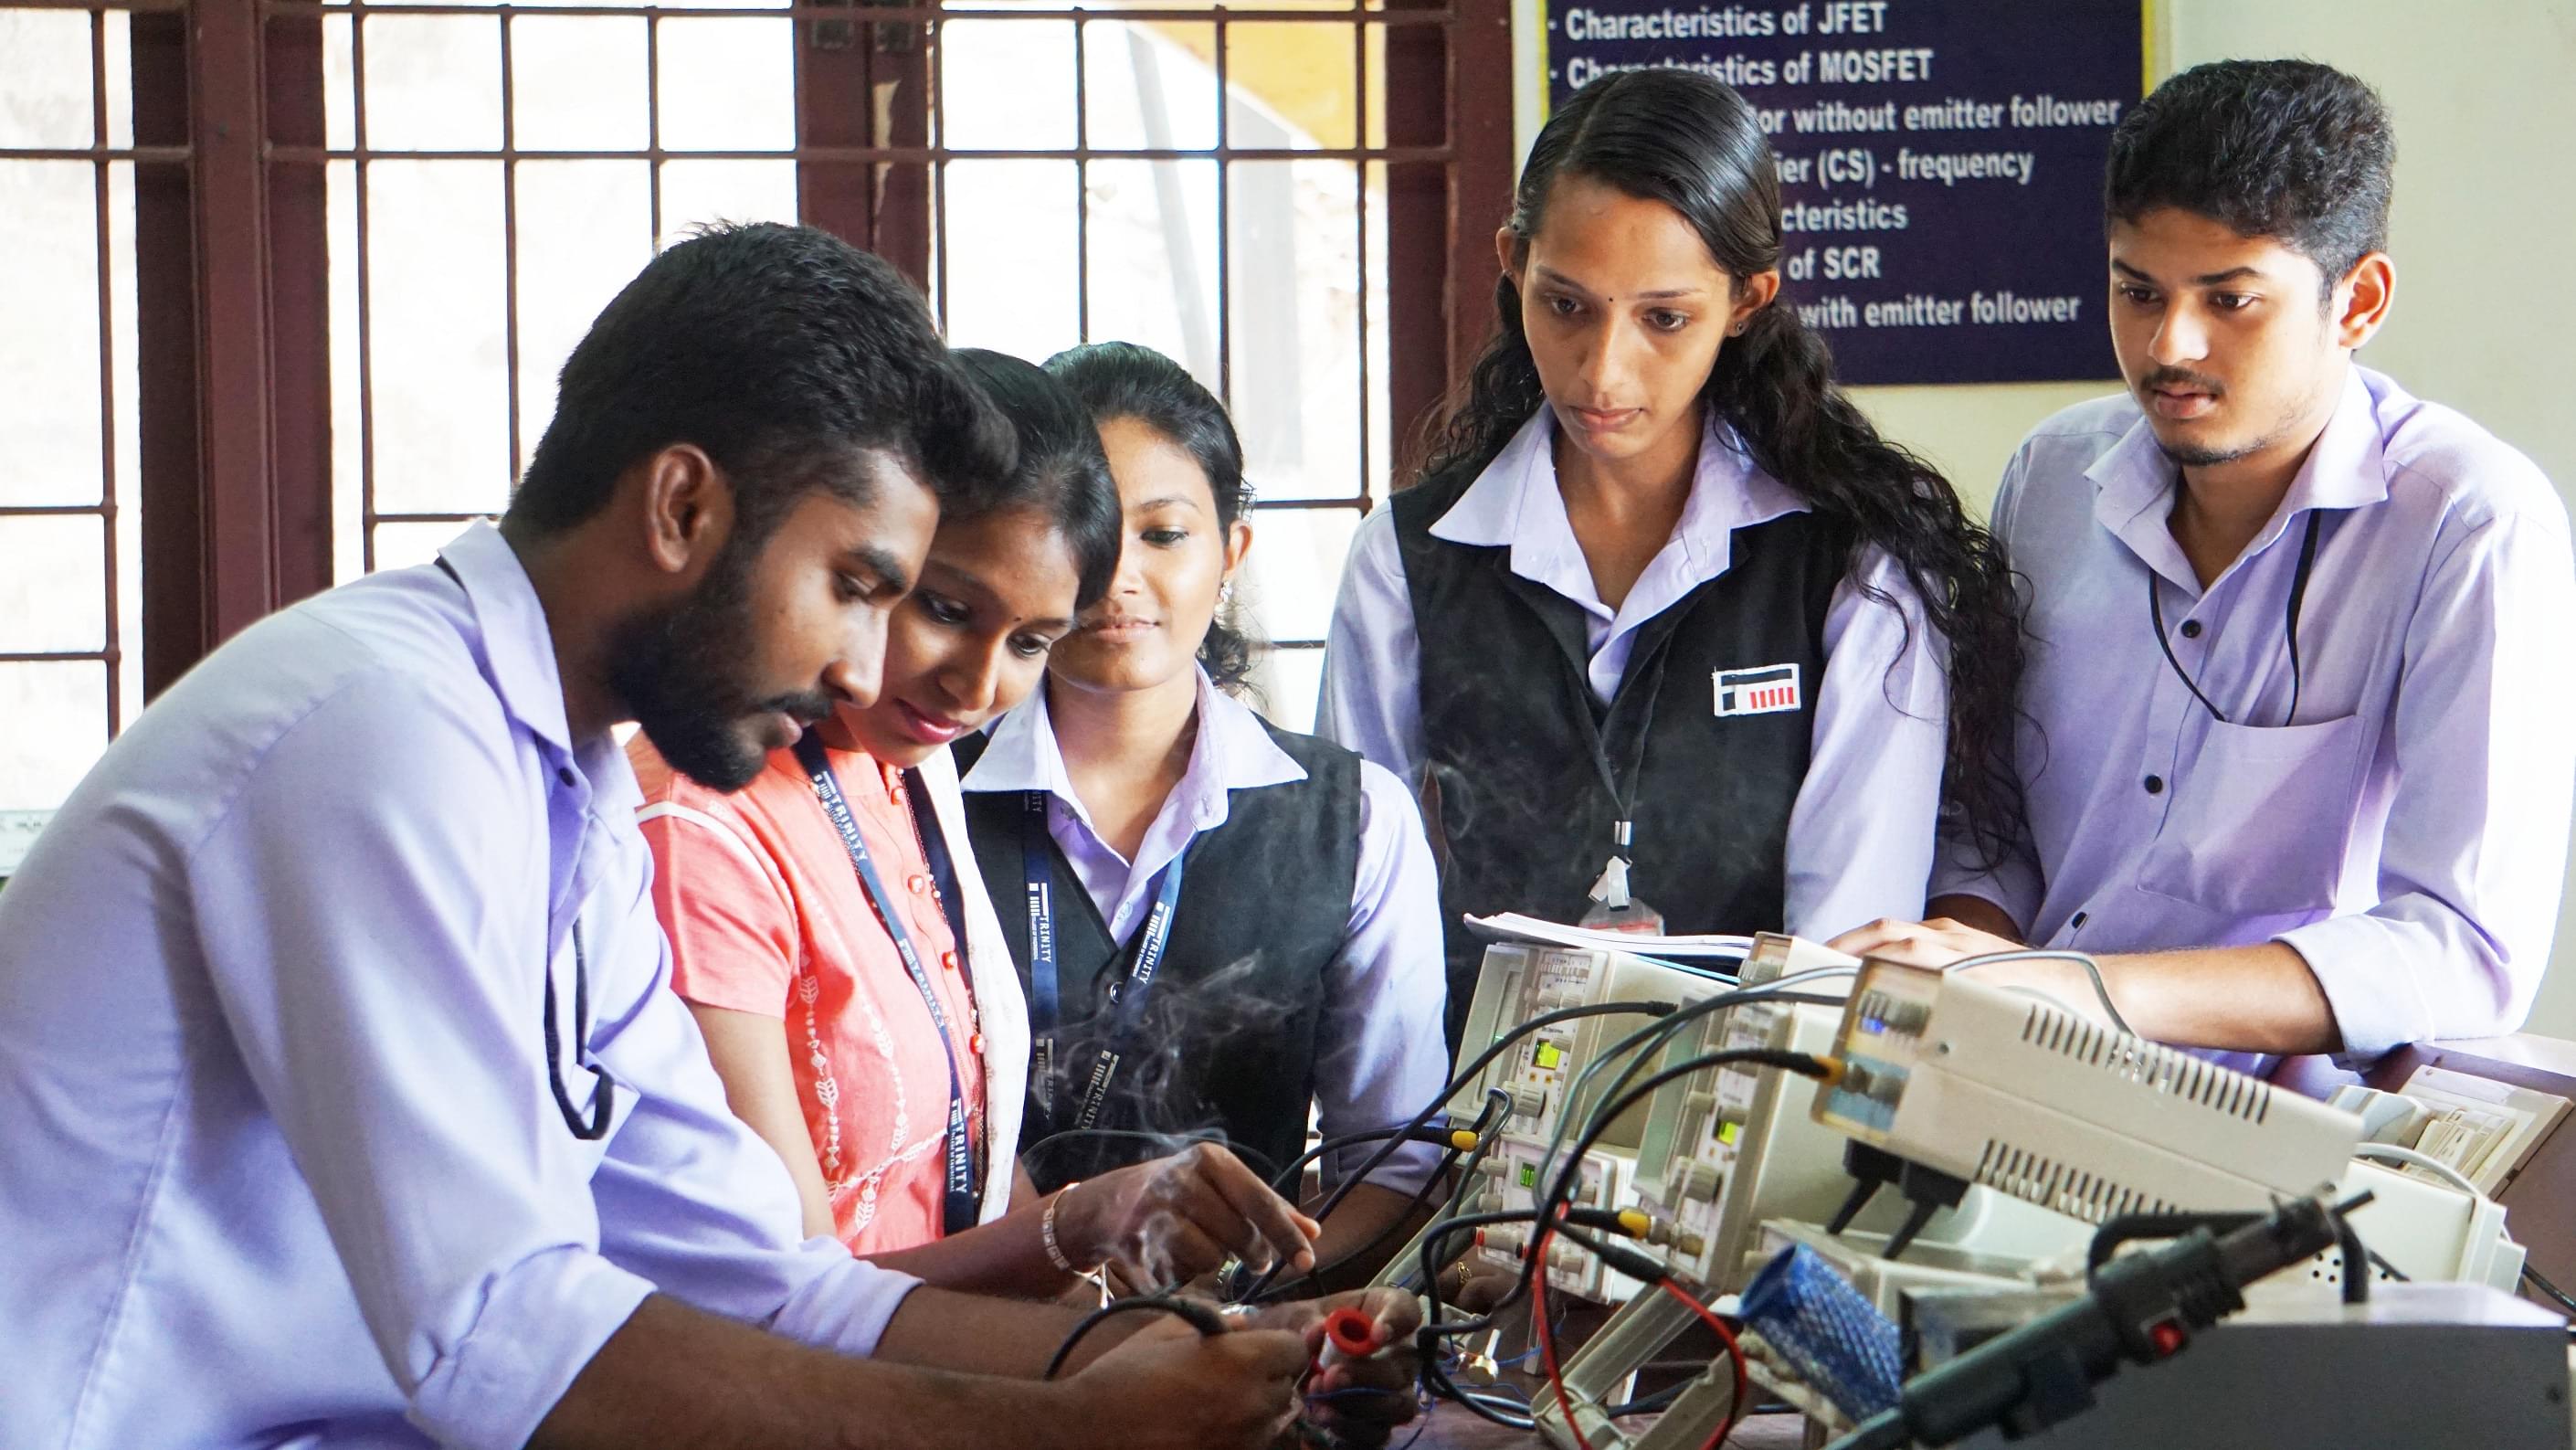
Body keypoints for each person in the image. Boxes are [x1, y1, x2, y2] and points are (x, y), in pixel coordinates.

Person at [0, 224, 1416, 1450]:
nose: (869, 672)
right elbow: (504, 1334)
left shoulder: (573, 786)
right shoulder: (378, 727)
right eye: (859, 585)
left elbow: (762, 1280)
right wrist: (1065, 1424)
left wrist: (1158, 1361)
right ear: (683, 506)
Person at [1835, 61, 2575, 1070]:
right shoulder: (2052, 473)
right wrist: (1973, 977)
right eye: (2137, 290)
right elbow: (1987, 813)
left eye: (2231, 300)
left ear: (2358, 302)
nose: (2169, 344)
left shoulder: (2472, 524)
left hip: (2279, 1146)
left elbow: (2465, 951)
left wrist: (2079, 992)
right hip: (2005, 1075)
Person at [1319, 69, 2026, 1040]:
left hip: (1753, 1114)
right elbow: (1359, 900)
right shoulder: (1406, 560)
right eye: (1566, 306)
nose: (1604, 370)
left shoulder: (1857, 563)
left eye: (1664, 318)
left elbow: (1844, 948)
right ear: (1513, 264)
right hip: (1470, 1121)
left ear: (1747, 300)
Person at [635, 348, 1322, 1294]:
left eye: (1033, 642)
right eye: (948, 609)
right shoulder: (700, 817)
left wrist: (1113, 1312)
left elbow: (962, 1171)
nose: (979, 686)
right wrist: (1080, 1226)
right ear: (867, 555)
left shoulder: (907, 766)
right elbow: (776, 1298)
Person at [953, 341, 1452, 1288]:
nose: (1118, 577)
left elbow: (1393, 1168)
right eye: (1087, 530)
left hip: (1237, 1348)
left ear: (1232, 551)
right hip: (967, 1333)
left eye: (1164, 534)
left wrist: (1237, 1294)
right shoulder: (917, 794)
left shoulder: (1353, 823)